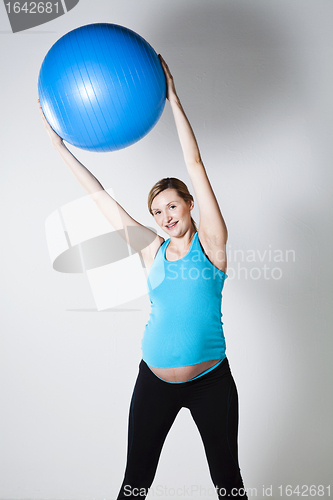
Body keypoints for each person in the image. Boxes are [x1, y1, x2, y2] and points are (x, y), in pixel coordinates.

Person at [39, 55, 248, 500]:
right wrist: (61, 149)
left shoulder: (211, 245)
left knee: (228, 481)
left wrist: (172, 98)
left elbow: (195, 164)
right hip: (152, 381)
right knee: (135, 483)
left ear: (189, 204)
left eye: (171, 206)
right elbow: (99, 197)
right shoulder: (151, 249)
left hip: (211, 381)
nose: (164, 216)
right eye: (156, 211)